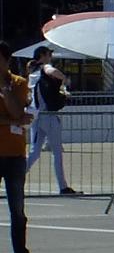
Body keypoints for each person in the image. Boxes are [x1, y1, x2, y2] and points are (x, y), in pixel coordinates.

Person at [23, 46, 77, 196]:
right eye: (49, 54)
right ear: (43, 55)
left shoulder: (32, 72)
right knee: (57, 151)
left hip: (36, 115)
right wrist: (65, 79)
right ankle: (63, 186)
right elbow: (52, 71)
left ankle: (15, 177)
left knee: (34, 152)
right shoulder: (44, 68)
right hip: (49, 115)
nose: (50, 57)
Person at [2, 60, 37, 253]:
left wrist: (5, 90)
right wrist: (10, 121)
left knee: (17, 210)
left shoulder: (18, 83)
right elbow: (16, 118)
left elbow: (18, 113)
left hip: (15, 155)